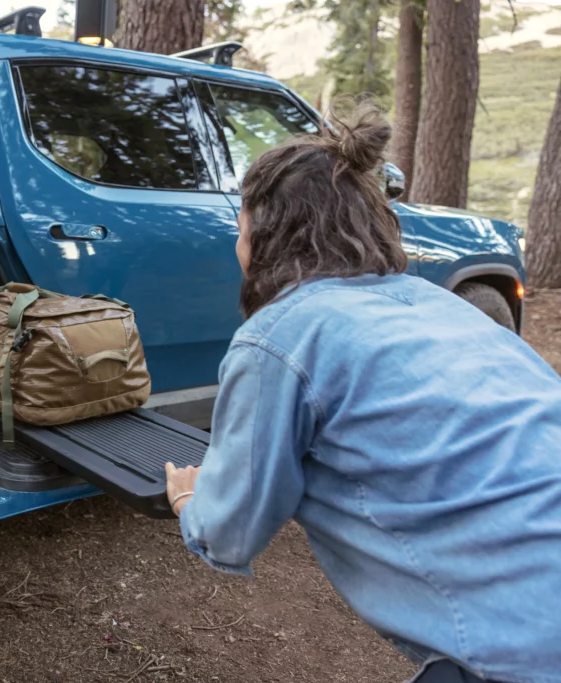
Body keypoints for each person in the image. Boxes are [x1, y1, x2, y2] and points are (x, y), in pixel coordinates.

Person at [164, 105, 561, 683]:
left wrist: (189, 501)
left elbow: (230, 529)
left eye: (241, 228)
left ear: (264, 236)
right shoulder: (444, 306)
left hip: (523, 644)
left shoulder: (279, 339)